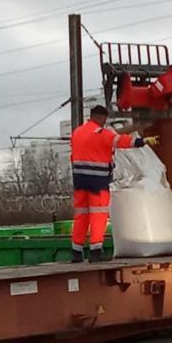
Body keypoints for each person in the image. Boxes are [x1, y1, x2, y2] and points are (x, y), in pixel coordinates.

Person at [69, 104, 156, 262]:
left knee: (81, 215)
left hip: (79, 181)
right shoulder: (101, 133)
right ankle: (96, 251)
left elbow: (73, 155)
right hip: (97, 181)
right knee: (98, 214)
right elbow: (122, 141)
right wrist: (142, 141)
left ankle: (76, 252)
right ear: (101, 118)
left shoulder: (77, 132)